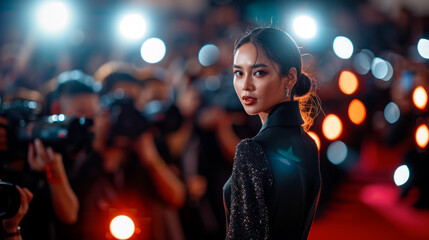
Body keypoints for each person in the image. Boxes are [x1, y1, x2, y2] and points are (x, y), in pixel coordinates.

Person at [223, 27, 322, 240]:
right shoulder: (308, 143)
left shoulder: (252, 150)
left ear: (290, 77)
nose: (245, 85)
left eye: (259, 72)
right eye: (239, 72)